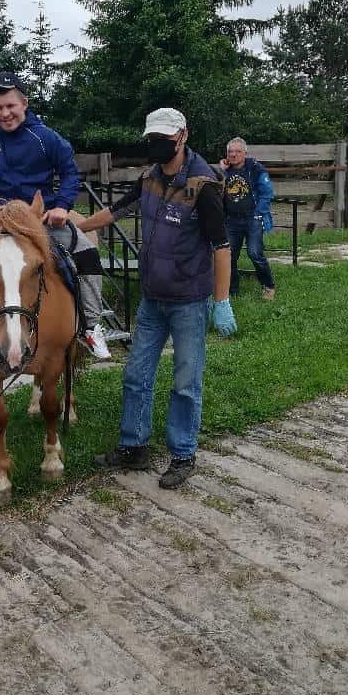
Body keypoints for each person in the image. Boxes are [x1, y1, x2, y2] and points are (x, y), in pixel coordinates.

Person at [76, 108, 237, 489]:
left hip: (188, 301)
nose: (157, 146)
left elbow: (222, 246)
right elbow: (113, 213)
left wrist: (222, 300)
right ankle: (134, 446)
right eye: (153, 139)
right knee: (136, 375)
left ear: (182, 136)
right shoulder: (149, 178)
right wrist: (71, 225)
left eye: (164, 139)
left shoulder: (203, 185)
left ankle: (183, 454)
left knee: (185, 382)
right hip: (152, 299)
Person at [0, 71, 111, 361]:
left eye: (11, 106)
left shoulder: (46, 137)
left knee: (87, 255)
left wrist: (62, 206)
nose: (5, 113)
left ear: (24, 103)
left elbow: (69, 173)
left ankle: (90, 326)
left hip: (40, 219)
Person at [220, 137, 276, 300]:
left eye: (237, 151)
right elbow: (217, 189)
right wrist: (222, 171)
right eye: (230, 151)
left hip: (253, 218)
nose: (233, 154)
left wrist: (259, 213)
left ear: (245, 153)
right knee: (229, 255)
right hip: (231, 220)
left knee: (255, 253)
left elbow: (267, 193)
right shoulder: (226, 171)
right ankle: (232, 289)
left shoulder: (256, 169)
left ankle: (268, 285)